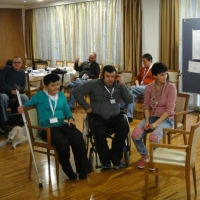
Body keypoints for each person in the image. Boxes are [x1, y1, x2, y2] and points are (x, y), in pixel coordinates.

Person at [18, 73, 91, 180]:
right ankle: (68, 170)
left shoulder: (61, 95)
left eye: (57, 84)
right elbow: (26, 105)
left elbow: (66, 109)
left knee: (78, 137)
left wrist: (70, 118)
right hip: (47, 128)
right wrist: (21, 108)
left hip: (61, 124)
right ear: (46, 86)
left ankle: (83, 170)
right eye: (53, 85)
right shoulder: (39, 95)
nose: (56, 87)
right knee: (63, 143)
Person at [73, 65, 132, 169]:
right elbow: (76, 91)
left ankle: (115, 157)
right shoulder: (94, 84)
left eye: (113, 76)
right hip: (98, 117)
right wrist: (87, 107)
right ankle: (105, 161)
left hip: (116, 116)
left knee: (124, 127)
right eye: (107, 76)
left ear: (116, 76)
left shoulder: (119, 85)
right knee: (98, 130)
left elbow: (130, 100)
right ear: (102, 75)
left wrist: (122, 85)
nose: (110, 79)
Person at [131, 62, 176, 169]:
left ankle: (155, 158)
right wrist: (147, 121)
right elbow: (146, 106)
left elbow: (169, 110)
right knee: (135, 135)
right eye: (161, 74)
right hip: (151, 117)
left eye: (165, 74)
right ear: (154, 76)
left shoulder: (171, 87)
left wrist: (156, 123)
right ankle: (145, 155)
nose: (164, 76)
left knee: (153, 138)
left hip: (166, 120)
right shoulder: (149, 88)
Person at [120, 53, 155, 123]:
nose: (143, 63)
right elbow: (137, 78)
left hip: (149, 88)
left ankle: (121, 106)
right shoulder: (143, 69)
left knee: (131, 88)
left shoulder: (154, 70)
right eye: (143, 62)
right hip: (140, 87)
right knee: (132, 95)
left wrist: (136, 87)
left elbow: (156, 81)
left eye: (145, 62)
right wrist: (137, 85)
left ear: (150, 61)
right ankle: (129, 117)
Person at [0, 56, 28, 131]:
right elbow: (1, 82)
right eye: (14, 62)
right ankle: (5, 121)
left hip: (16, 93)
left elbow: (23, 86)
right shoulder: (6, 69)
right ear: (12, 63)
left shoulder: (22, 72)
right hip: (4, 92)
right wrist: (10, 90)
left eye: (18, 62)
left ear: (21, 64)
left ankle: (24, 118)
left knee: (25, 98)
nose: (16, 64)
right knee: (3, 97)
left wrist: (18, 90)